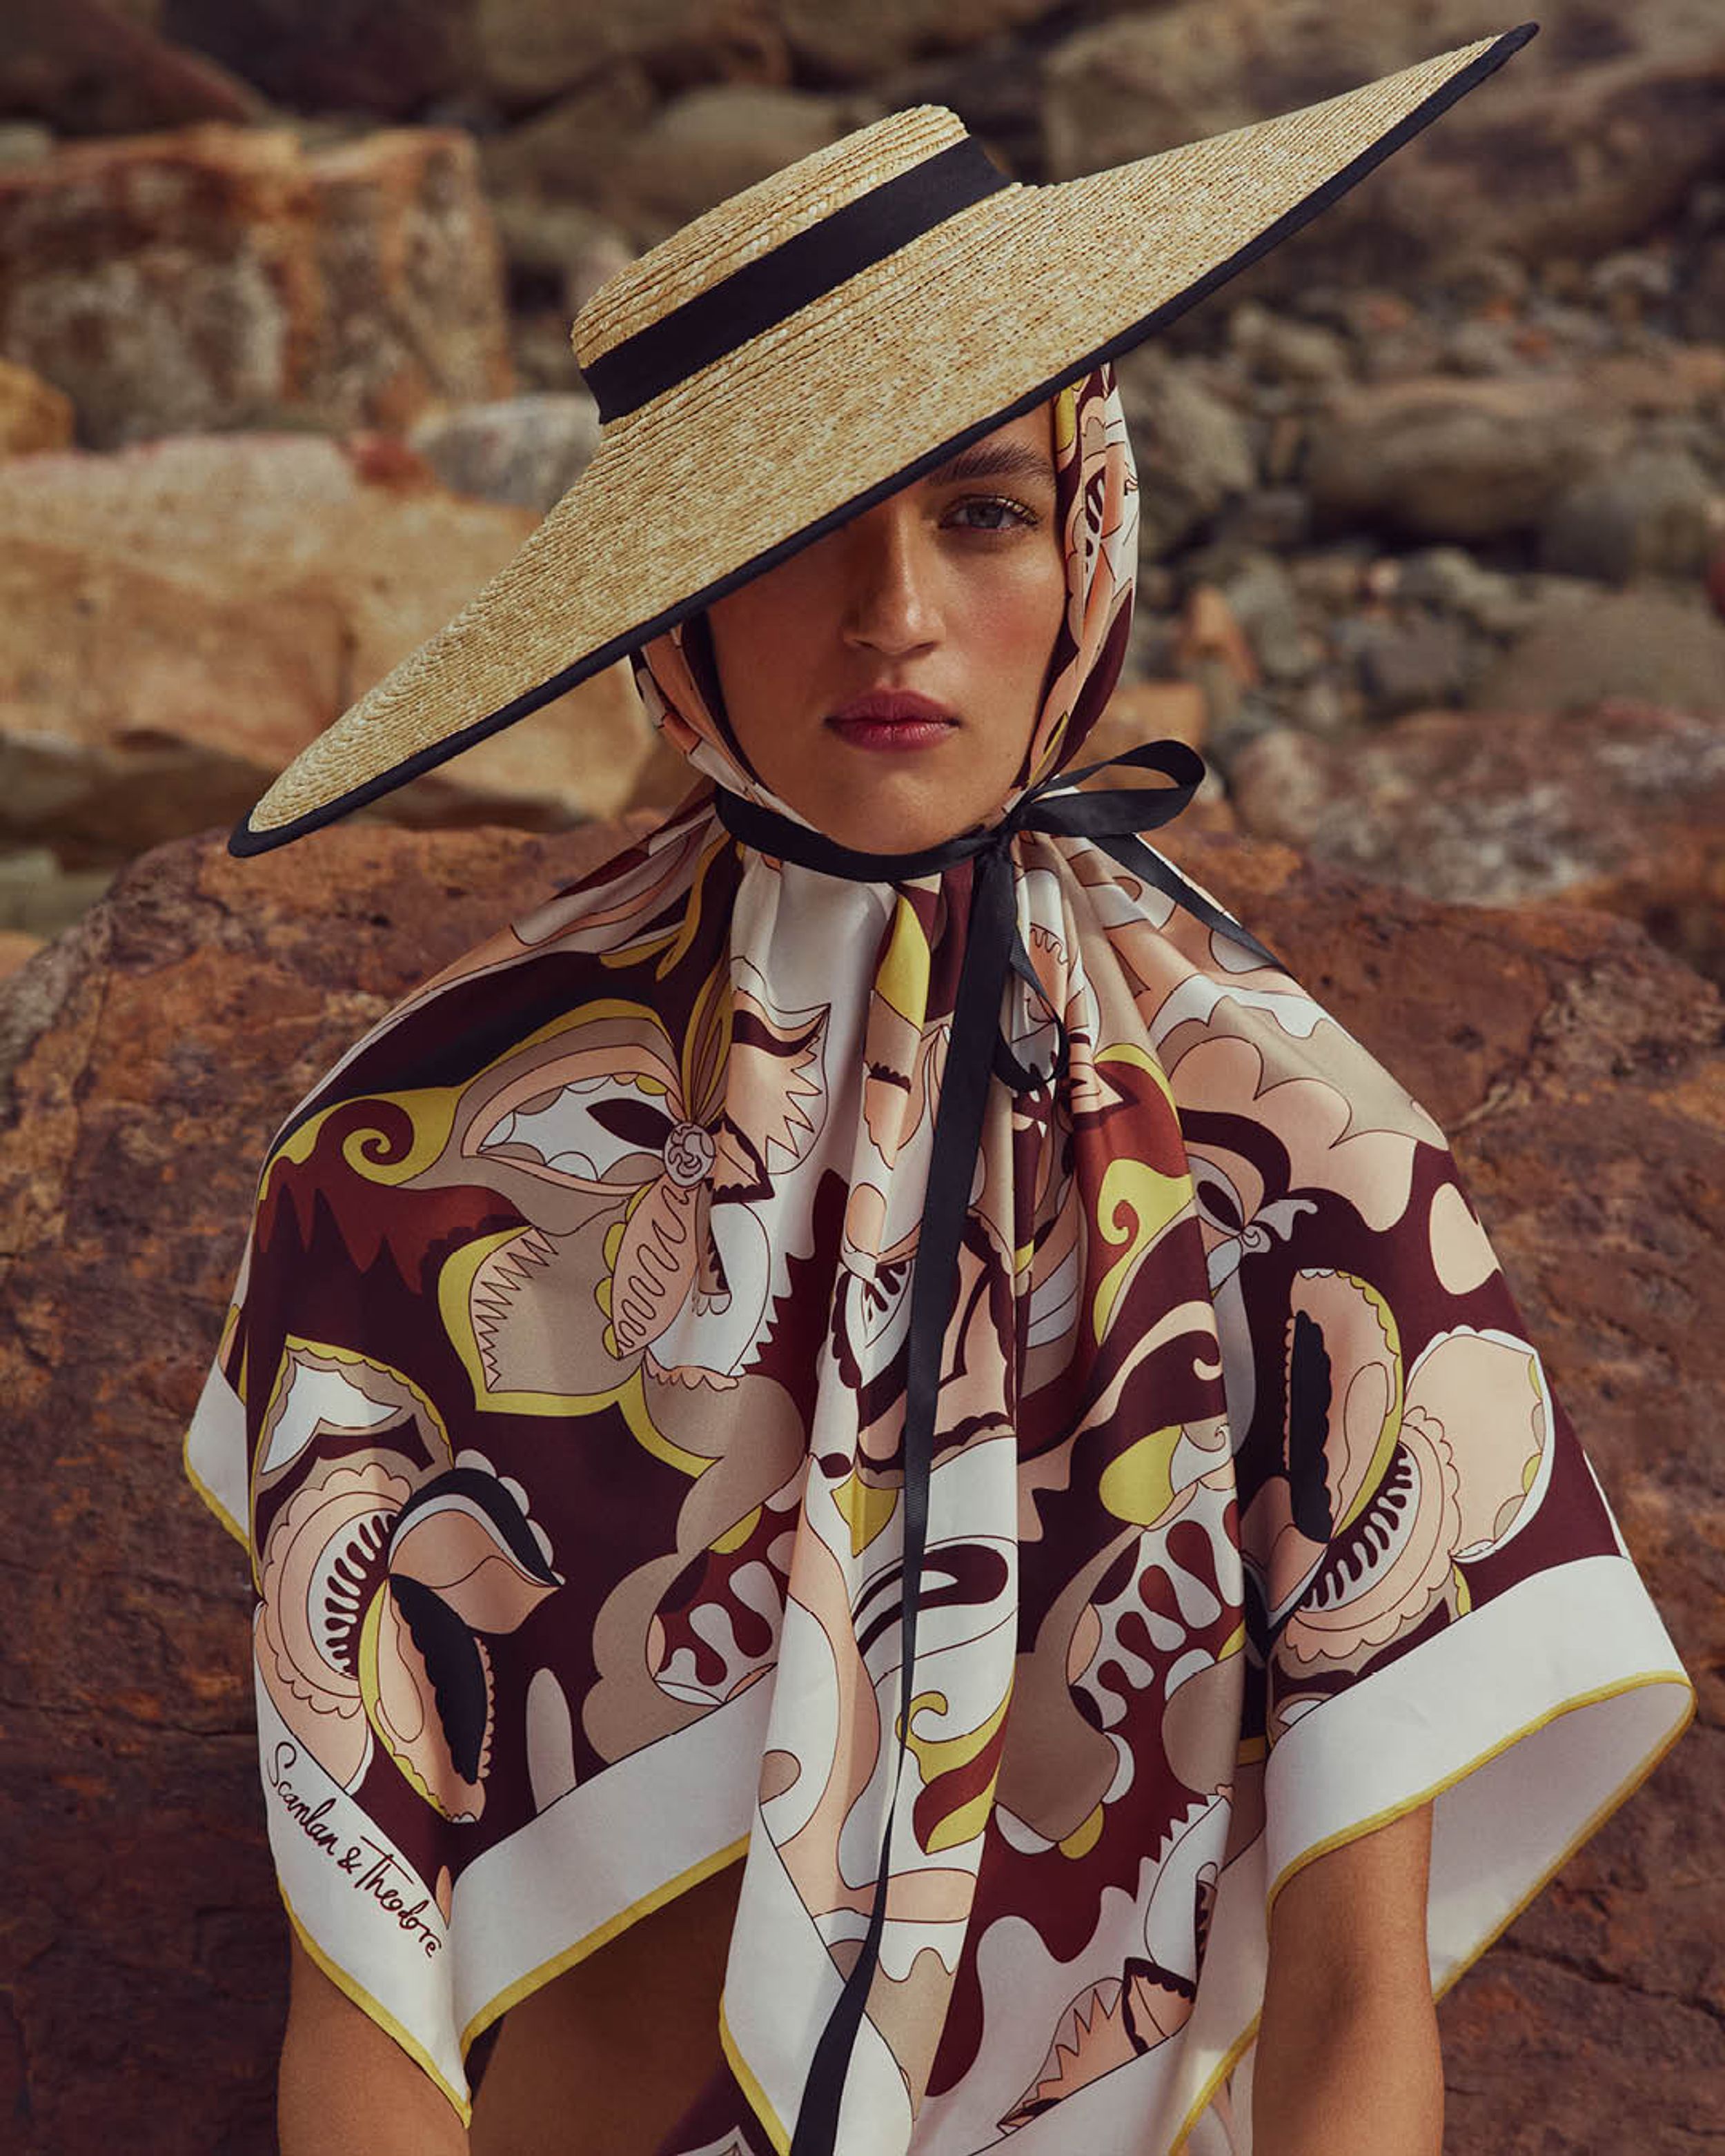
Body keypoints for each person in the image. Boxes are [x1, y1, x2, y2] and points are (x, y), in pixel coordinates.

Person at [184, 30, 1693, 2156]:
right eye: (801, 532)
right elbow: (365, 2016)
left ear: (1092, 533)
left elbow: (1355, 2008)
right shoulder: (414, 1161)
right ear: (670, 617)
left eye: (979, 510)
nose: (895, 617)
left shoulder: (1301, 1163)